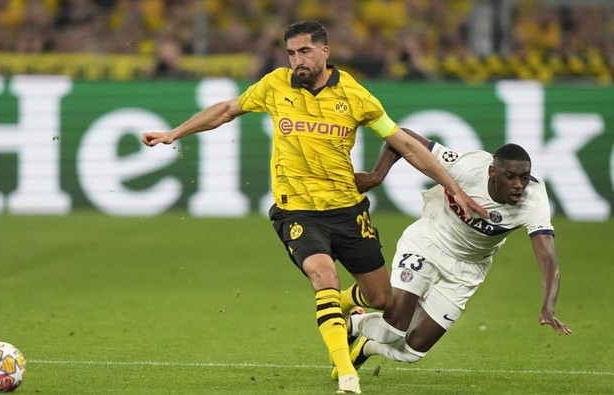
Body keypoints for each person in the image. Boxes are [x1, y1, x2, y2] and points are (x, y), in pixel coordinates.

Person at [141, 20, 487, 394]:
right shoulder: (274, 85)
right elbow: (227, 109)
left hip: (347, 211)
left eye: (304, 51)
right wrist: (174, 133)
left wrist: (453, 187)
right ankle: (347, 374)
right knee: (323, 275)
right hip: (297, 211)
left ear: (325, 51)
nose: (296, 61)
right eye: (290, 53)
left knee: (382, 299)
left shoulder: (356, 97)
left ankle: (340, 313)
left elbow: (405, 144)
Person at [339, 130, 571, 376]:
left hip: (466, 271)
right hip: (427, 243)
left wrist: (548, 306)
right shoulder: (467, 167)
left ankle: (365, 346)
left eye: (524, 177)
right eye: (510, 176)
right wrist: (377, 176)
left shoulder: (533, 199)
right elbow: (403, 137)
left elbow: (548, 260)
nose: (518, 185)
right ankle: (349, 323)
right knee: (395, 327)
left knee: (411, 352)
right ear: (492, 172)